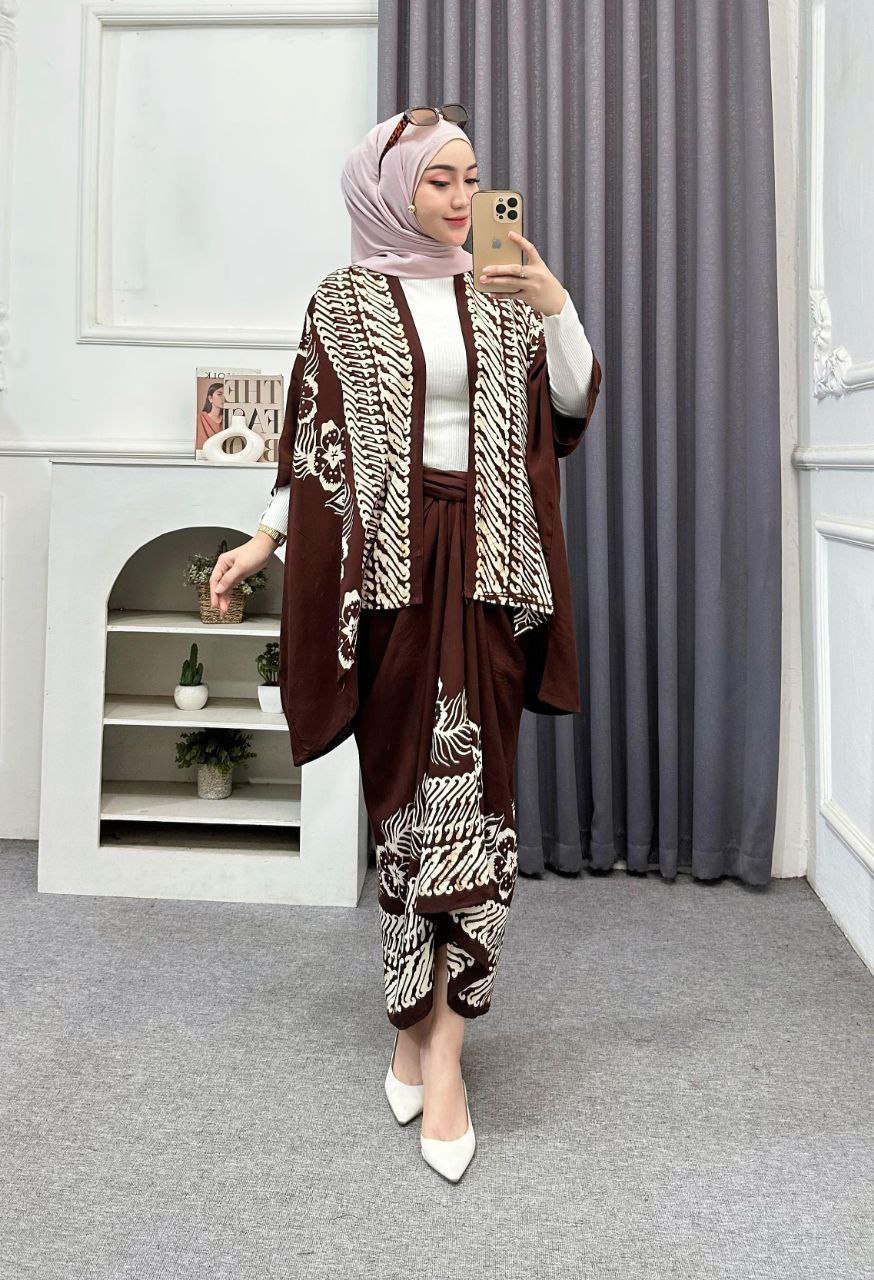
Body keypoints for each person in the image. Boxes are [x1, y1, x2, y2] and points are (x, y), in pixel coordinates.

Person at [209, 107, 602, 1182]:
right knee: (401, 806)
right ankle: (408, 1018)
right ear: (388, 190)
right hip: (385, 576)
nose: (463, 199)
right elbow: (314, 448)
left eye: (472, 178)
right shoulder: (339, 303)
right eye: (439, 181)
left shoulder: (505, 290)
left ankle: (447, 1058)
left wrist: (557, 305)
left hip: (491, 564)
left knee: (477, 803)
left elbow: (567, 408)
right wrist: (263, 540)